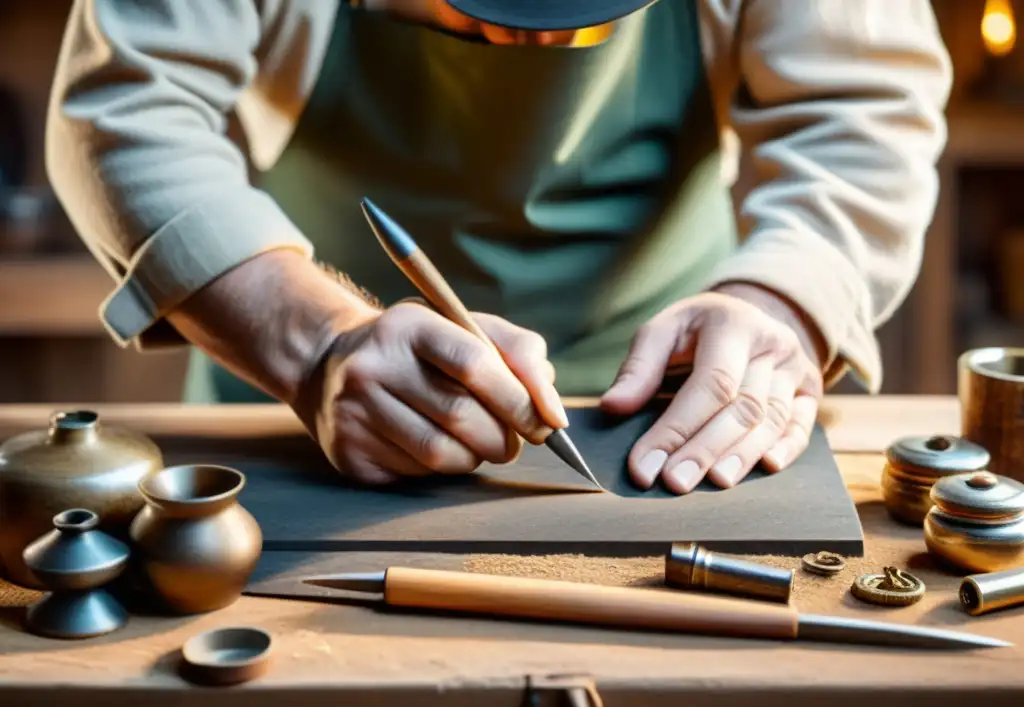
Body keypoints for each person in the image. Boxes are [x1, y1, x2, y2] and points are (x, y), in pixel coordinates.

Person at [45, 0, 952, 493]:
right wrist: (315, 345)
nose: (545, 40)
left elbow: (860, 113)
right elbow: (129, 106)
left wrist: (780, 305)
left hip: (672, 408)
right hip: (314, 420)